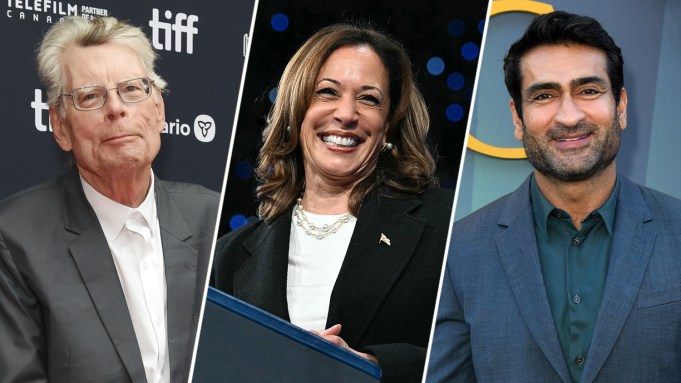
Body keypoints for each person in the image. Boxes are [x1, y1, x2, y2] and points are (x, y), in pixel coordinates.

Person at [426, 11, 681, 382]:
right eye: (544, 95)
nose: (569, 115)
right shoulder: (459, 250)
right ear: (517, 118)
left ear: (621, 106)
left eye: (588, 90)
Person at [212, 24, 453, 383]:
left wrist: (373, 366)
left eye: (369, 99)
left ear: (388, 126)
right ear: (296, 111)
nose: (346, 114)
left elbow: (476, 352)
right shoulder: (228, 255)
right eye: (327, 93)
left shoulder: (446, 225)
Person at [0, 17, 218, 383]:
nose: (116, 108)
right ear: (60, 127)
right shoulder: (14, 237)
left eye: (132, 89)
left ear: (159, 111)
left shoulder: (213, 218)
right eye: (90, 96)